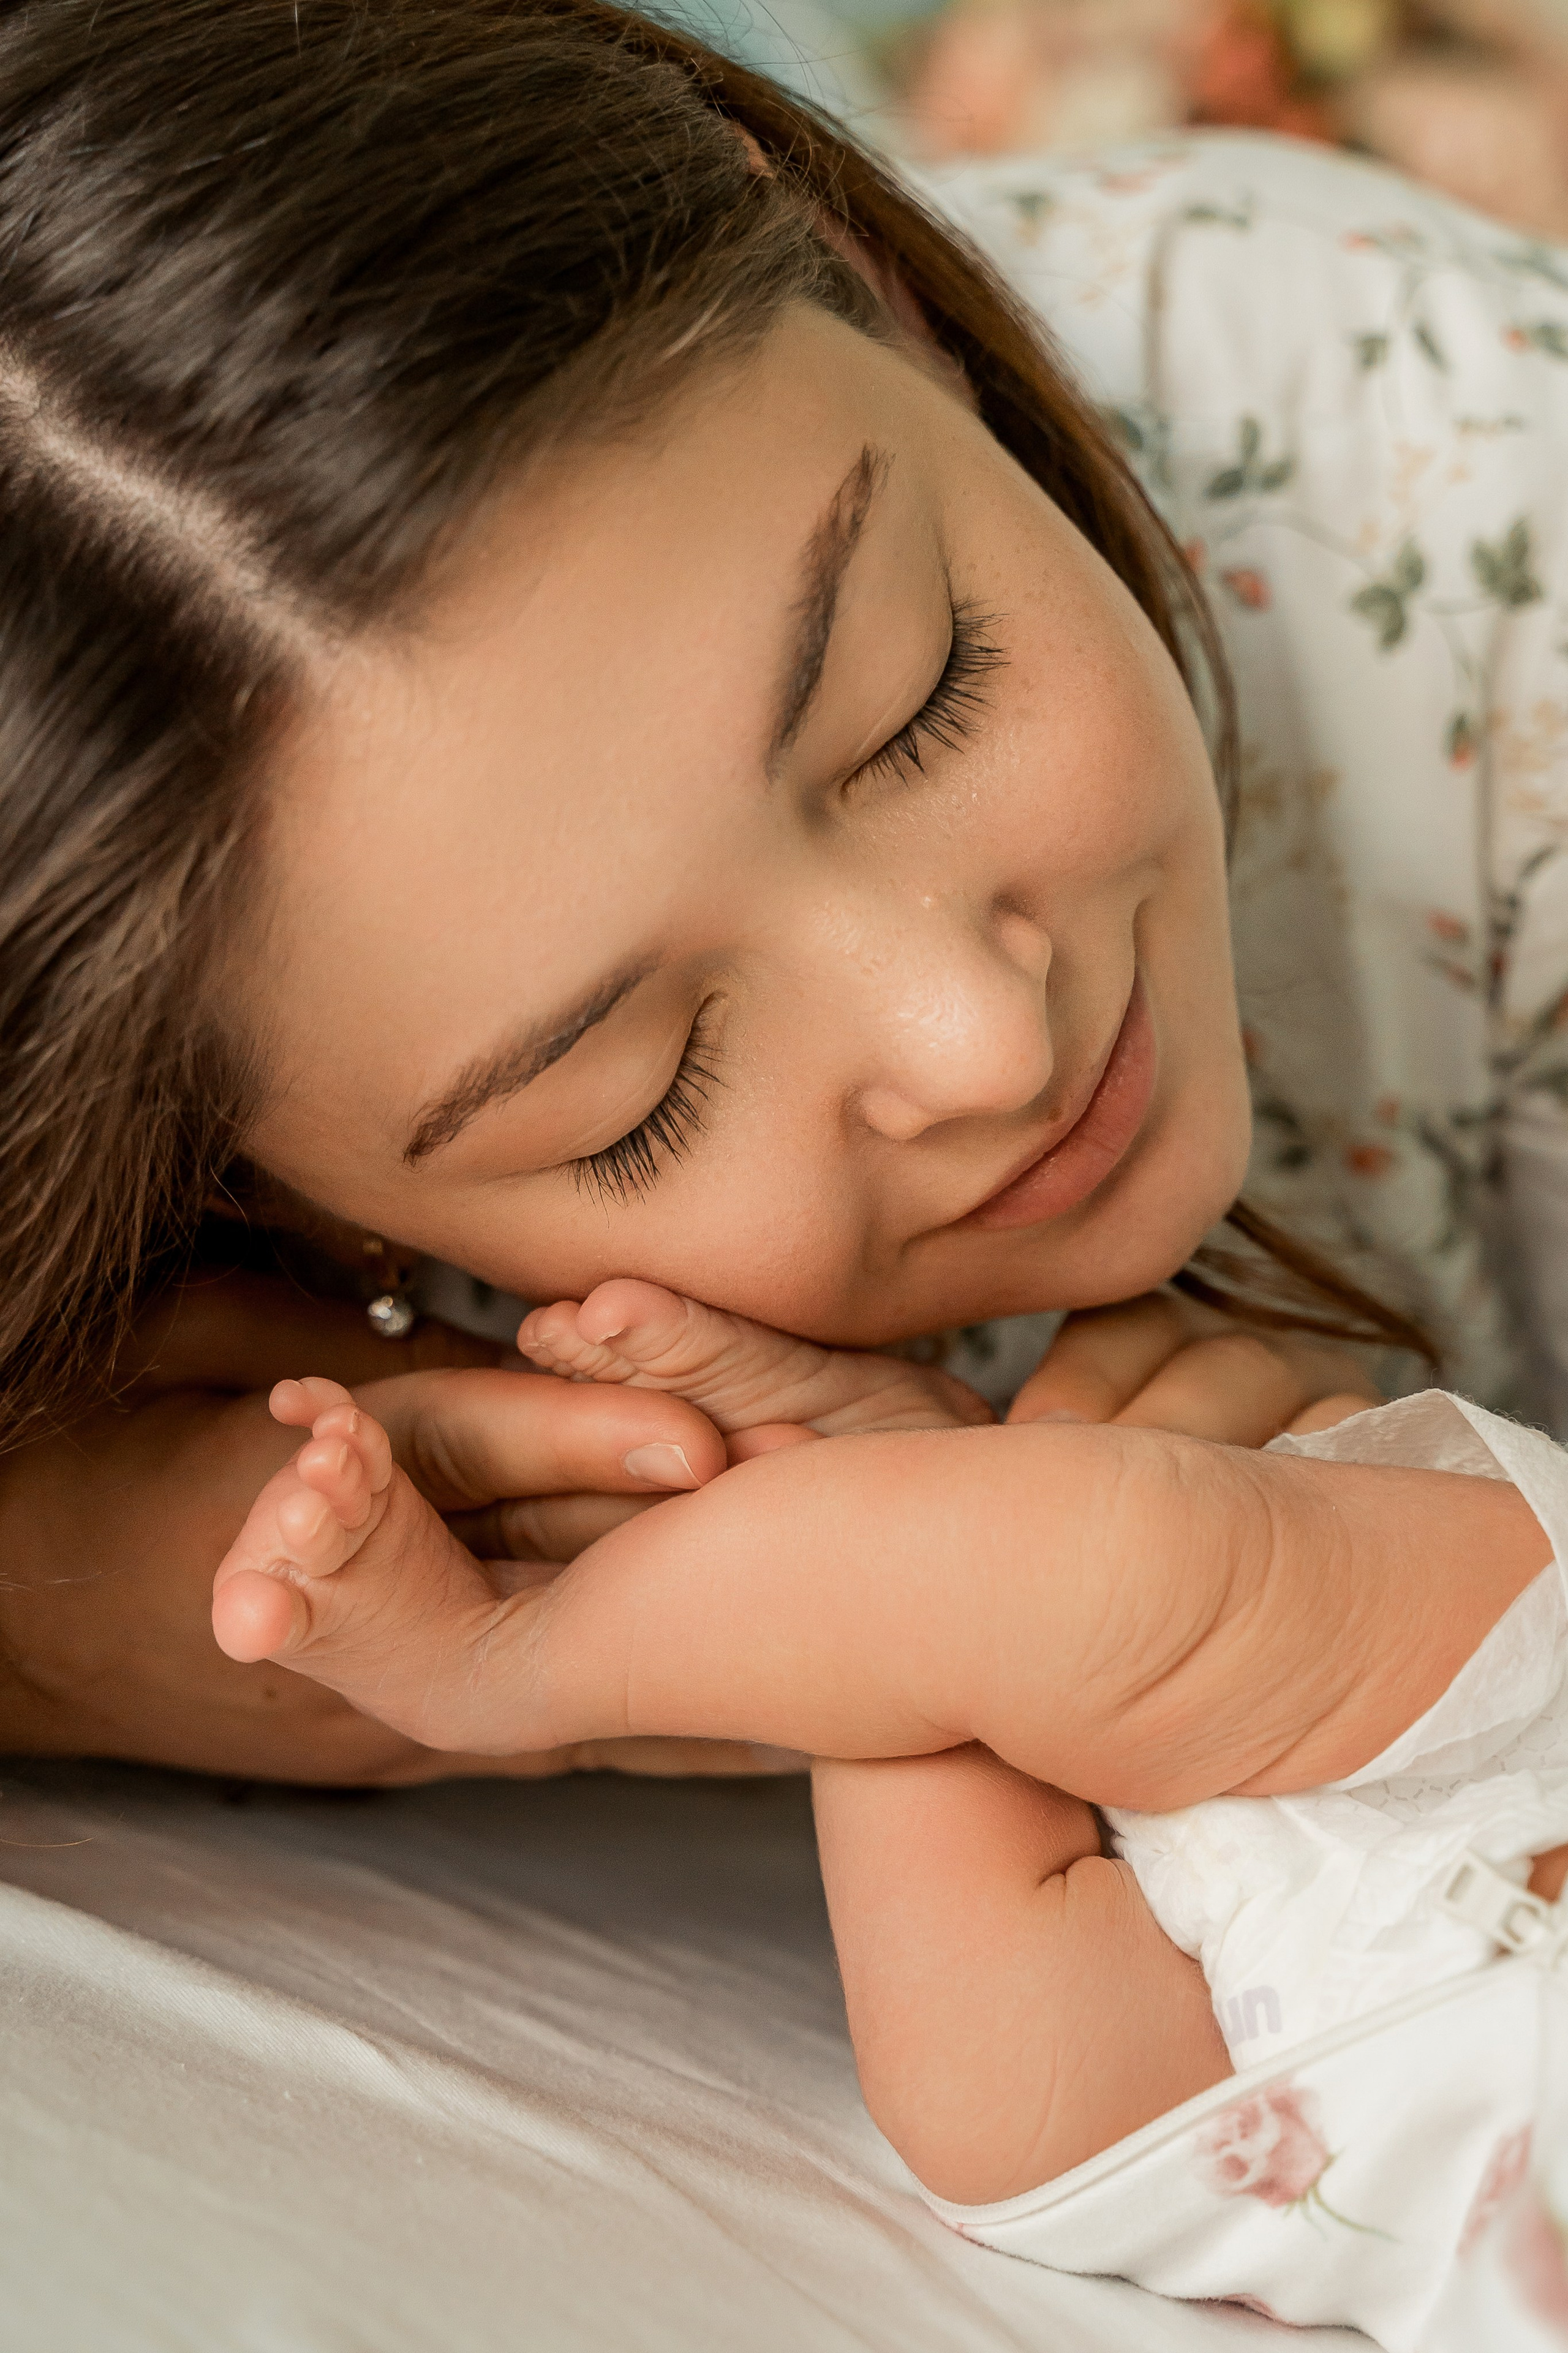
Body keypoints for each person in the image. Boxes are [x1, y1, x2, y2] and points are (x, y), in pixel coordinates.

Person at [0, 4, 1561, 1841]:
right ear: (276, 1196)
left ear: (869, 276)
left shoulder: (1459, 483)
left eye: (926, 699)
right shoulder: (297, 1410)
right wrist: (71, 1611)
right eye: (640, 1093)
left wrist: (1297, 1609)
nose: (978, 1038)